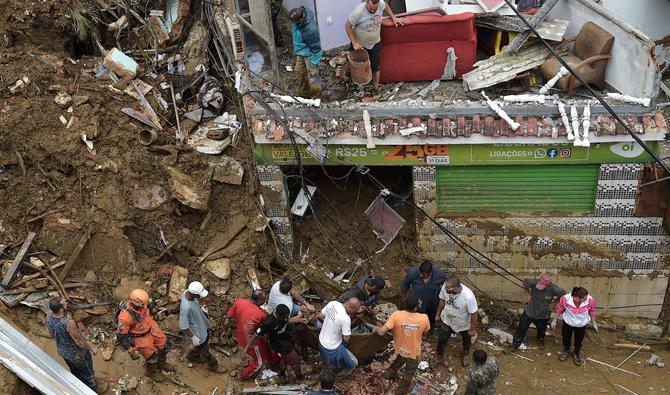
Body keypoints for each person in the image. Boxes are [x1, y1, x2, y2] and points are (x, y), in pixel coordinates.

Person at [46, 297, 105, 393]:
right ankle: (94, 390)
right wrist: (92, 348)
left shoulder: (48, 317)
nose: (66, 302)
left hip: (63, 351)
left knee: (75, 371)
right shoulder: (68, 322)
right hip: (76, 354)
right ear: (61, 309)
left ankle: (79, 387)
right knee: (87, 372)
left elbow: (51, 335)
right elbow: (79, 342)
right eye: (64, 303)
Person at [345, 0, 405, 94]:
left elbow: (386, 6)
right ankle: (355, 85)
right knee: (357, 66)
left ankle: (375, 88)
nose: (372, 11)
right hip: (359, 45)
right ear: (366, 2)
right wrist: (354, 43)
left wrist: (394, 18)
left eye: (374, 9)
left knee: (376, 66)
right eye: (370, 9)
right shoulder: (358, 12)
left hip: (375, 43)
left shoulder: (381, 3)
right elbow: (348, 26)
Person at [376, 295, 430, 395]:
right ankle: (399, 392)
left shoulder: (396, 315)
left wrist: (376, 327)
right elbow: (426, 332)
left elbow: (381, 332)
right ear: (415, 307)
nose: (421, 302)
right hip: (413, 351)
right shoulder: (424, 318)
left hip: (399, 347)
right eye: (419, 301)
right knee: (408, 374)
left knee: (400, 358)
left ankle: (387, 375)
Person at [116, 288, 173, 381]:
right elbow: (121, 336)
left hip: (152, 327)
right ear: (136, 304)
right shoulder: (125, 317)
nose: (145, 307)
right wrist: (130, 350)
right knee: (152, 357)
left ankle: (162, 363)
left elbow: (149, 310)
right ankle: (151, 372)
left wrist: (157, 314)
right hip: (140, 337)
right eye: (143, 306)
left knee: (166, 345)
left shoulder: (145, 304)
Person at [225, 290, 281, 379]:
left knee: (268, 352)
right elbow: (266, 331)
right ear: (259, 301)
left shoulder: (240, 301)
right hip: (252, 343)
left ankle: (274, 361)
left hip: (240, 336)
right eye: (264, 299)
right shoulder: (261, 314)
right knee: (260, 361)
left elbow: (227, 319)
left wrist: (224, 331)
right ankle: (243, 376)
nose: (265, 300)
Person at [246, 304, 304, 379]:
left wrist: (300, 319)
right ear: (280, 316)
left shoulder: (283, 317)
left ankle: (282, 373)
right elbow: (256, 335)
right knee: (295, 361)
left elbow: (287, 321)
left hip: (285, 338)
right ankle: (299, 377)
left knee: (284, 358)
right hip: (280, 344)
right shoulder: (268, 323)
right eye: (285, 316)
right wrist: (246, 348)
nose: (286, 317)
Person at [511, 274, 565, 350]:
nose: (540, 287)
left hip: (543, 314)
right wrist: (528, 294)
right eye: (540, 284)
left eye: (542, 285)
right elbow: (525, 282)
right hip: (530, 311)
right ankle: (515, 343)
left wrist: (554, 303)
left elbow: (563, 295)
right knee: (522, 327)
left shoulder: (554, 289)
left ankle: (540, 340)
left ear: (547, 285)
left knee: (541, 329)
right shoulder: (533, 282)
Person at [435, 276, 478, 367]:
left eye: (448, 288)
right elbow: (442, 300)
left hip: (463, 323)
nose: (445, 288)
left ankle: (465, 354)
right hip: (448, 320)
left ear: (455, 288)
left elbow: (474, 313)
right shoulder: (445, 287)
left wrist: (472, 329)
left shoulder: (468, 297)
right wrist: (438, 314)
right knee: (442, 339)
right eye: (445, 286)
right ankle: (439, 355)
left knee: (466, 340)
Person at [180, 281, 219, 371]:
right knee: (204, 348)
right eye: (199, 295)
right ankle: (213, 365)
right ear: (193, 294)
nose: (201, 296)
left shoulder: (186, 292)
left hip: (200, 322)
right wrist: (194, 337)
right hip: (197, 332)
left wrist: (200, 308)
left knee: (201, 345)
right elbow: (184, 326)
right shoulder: (186, 308)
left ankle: (193, 356)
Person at [553, 286, 597, 366]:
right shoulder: (566, 298)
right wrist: (555, 319)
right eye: (584, 298)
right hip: (568, 322)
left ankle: (576, 353)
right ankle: (566, 350)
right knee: (566, 337)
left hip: (581, 324)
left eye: (586, 297)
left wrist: (594, 322)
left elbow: (592, 311)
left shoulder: (590, 300)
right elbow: (560, 309)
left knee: (579, 340)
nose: (586, 299)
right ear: (576, 297)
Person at [318, 297, 362, 376]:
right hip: (332, 347)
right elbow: (346, 338)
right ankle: (340, 375)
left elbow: (321, 315)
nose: (353, 313)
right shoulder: (345, 318)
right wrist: (346, 343)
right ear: (351, 309)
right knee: (354, 363)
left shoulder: (333, 303)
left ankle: (327, 361)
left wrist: (331, 323)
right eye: (354, 311)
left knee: (328, 358)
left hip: (321, 340)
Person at [401, 261, 446, 330]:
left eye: (423, 274)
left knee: (431, 318)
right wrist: (404, 297)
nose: (420, 276)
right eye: (420, 273)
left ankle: (428, 330)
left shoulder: (440, 275)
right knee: (416, 319)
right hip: (417, 302)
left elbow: (445, 288)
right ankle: (417, 331)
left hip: (432, 302)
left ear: (430, 273)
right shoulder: (413, 272)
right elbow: (405, 283)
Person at [289, 7, 322, 99]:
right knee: (300, 72)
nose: (293, 24)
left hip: (310, 55)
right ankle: (305, 93)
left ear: (301, 20)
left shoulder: (311, 30)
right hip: (300, 53)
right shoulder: (297, 19)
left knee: (313, 77)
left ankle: (316, 97)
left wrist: (313, 63)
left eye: (294, 22)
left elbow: (317, 48)